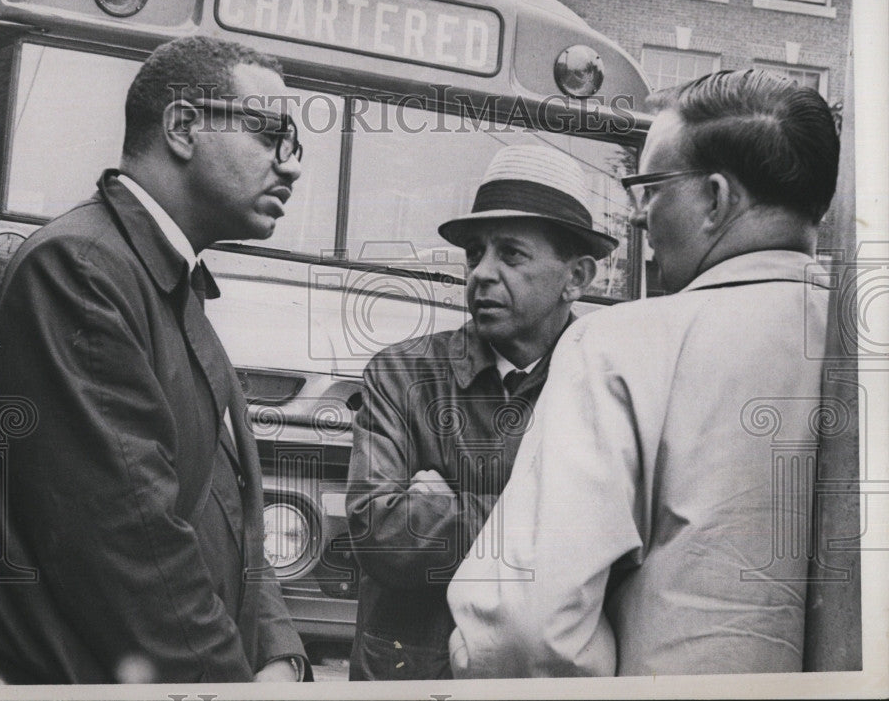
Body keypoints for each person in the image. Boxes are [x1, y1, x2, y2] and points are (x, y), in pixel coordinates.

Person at [0, 36, 310, 683]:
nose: (290, 166)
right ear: (182, 127)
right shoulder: (83, 270)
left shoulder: (155, 278)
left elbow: (217, 505)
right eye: (270, 134)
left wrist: (276, 651)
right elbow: (133, 548)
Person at [448, 70, 839, 677]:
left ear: (716, 198)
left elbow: (527, 627)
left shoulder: (618, 344)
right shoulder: (862, 344)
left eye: (650, 188)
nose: (638, 218)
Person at [346, 144, 619, 680]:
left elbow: (629, 551)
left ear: (577, 276)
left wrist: (441, 511)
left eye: (511, 255)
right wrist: (556, 525)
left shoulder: (610, 385)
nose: (482, 274)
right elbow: (377, 532)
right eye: (475, 253)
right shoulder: (403, 375)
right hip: (409, 677)